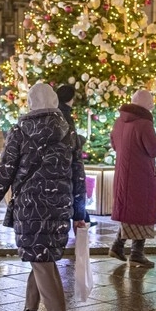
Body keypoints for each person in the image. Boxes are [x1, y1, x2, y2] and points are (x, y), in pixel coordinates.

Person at [0, 82, 86, 311]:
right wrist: (79, 212)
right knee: (42, 257)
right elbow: (78, 175)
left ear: (30, 103)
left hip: (31, 207)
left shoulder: (21, 130)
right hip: (60, 206)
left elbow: (5, 171)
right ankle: (29, 310)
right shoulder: (68, 132)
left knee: (42, 262)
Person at [108, 89, 156, 268]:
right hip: (141, 177)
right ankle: (136, 254)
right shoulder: (144, 124)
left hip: (124, 175)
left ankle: (118, 246)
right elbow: (154, 149)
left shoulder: (119, 122)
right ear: (147, 104)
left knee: (130, 213)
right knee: (141, 213)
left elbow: (114, 144)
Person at [56, 83, 93, 228]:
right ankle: (82, 218)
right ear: (71, 98)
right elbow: (69, 138)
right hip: (66, 164)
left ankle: (83, 217)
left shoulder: (58, 110)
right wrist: (80, 140)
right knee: (74, 190)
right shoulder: (64, 113)